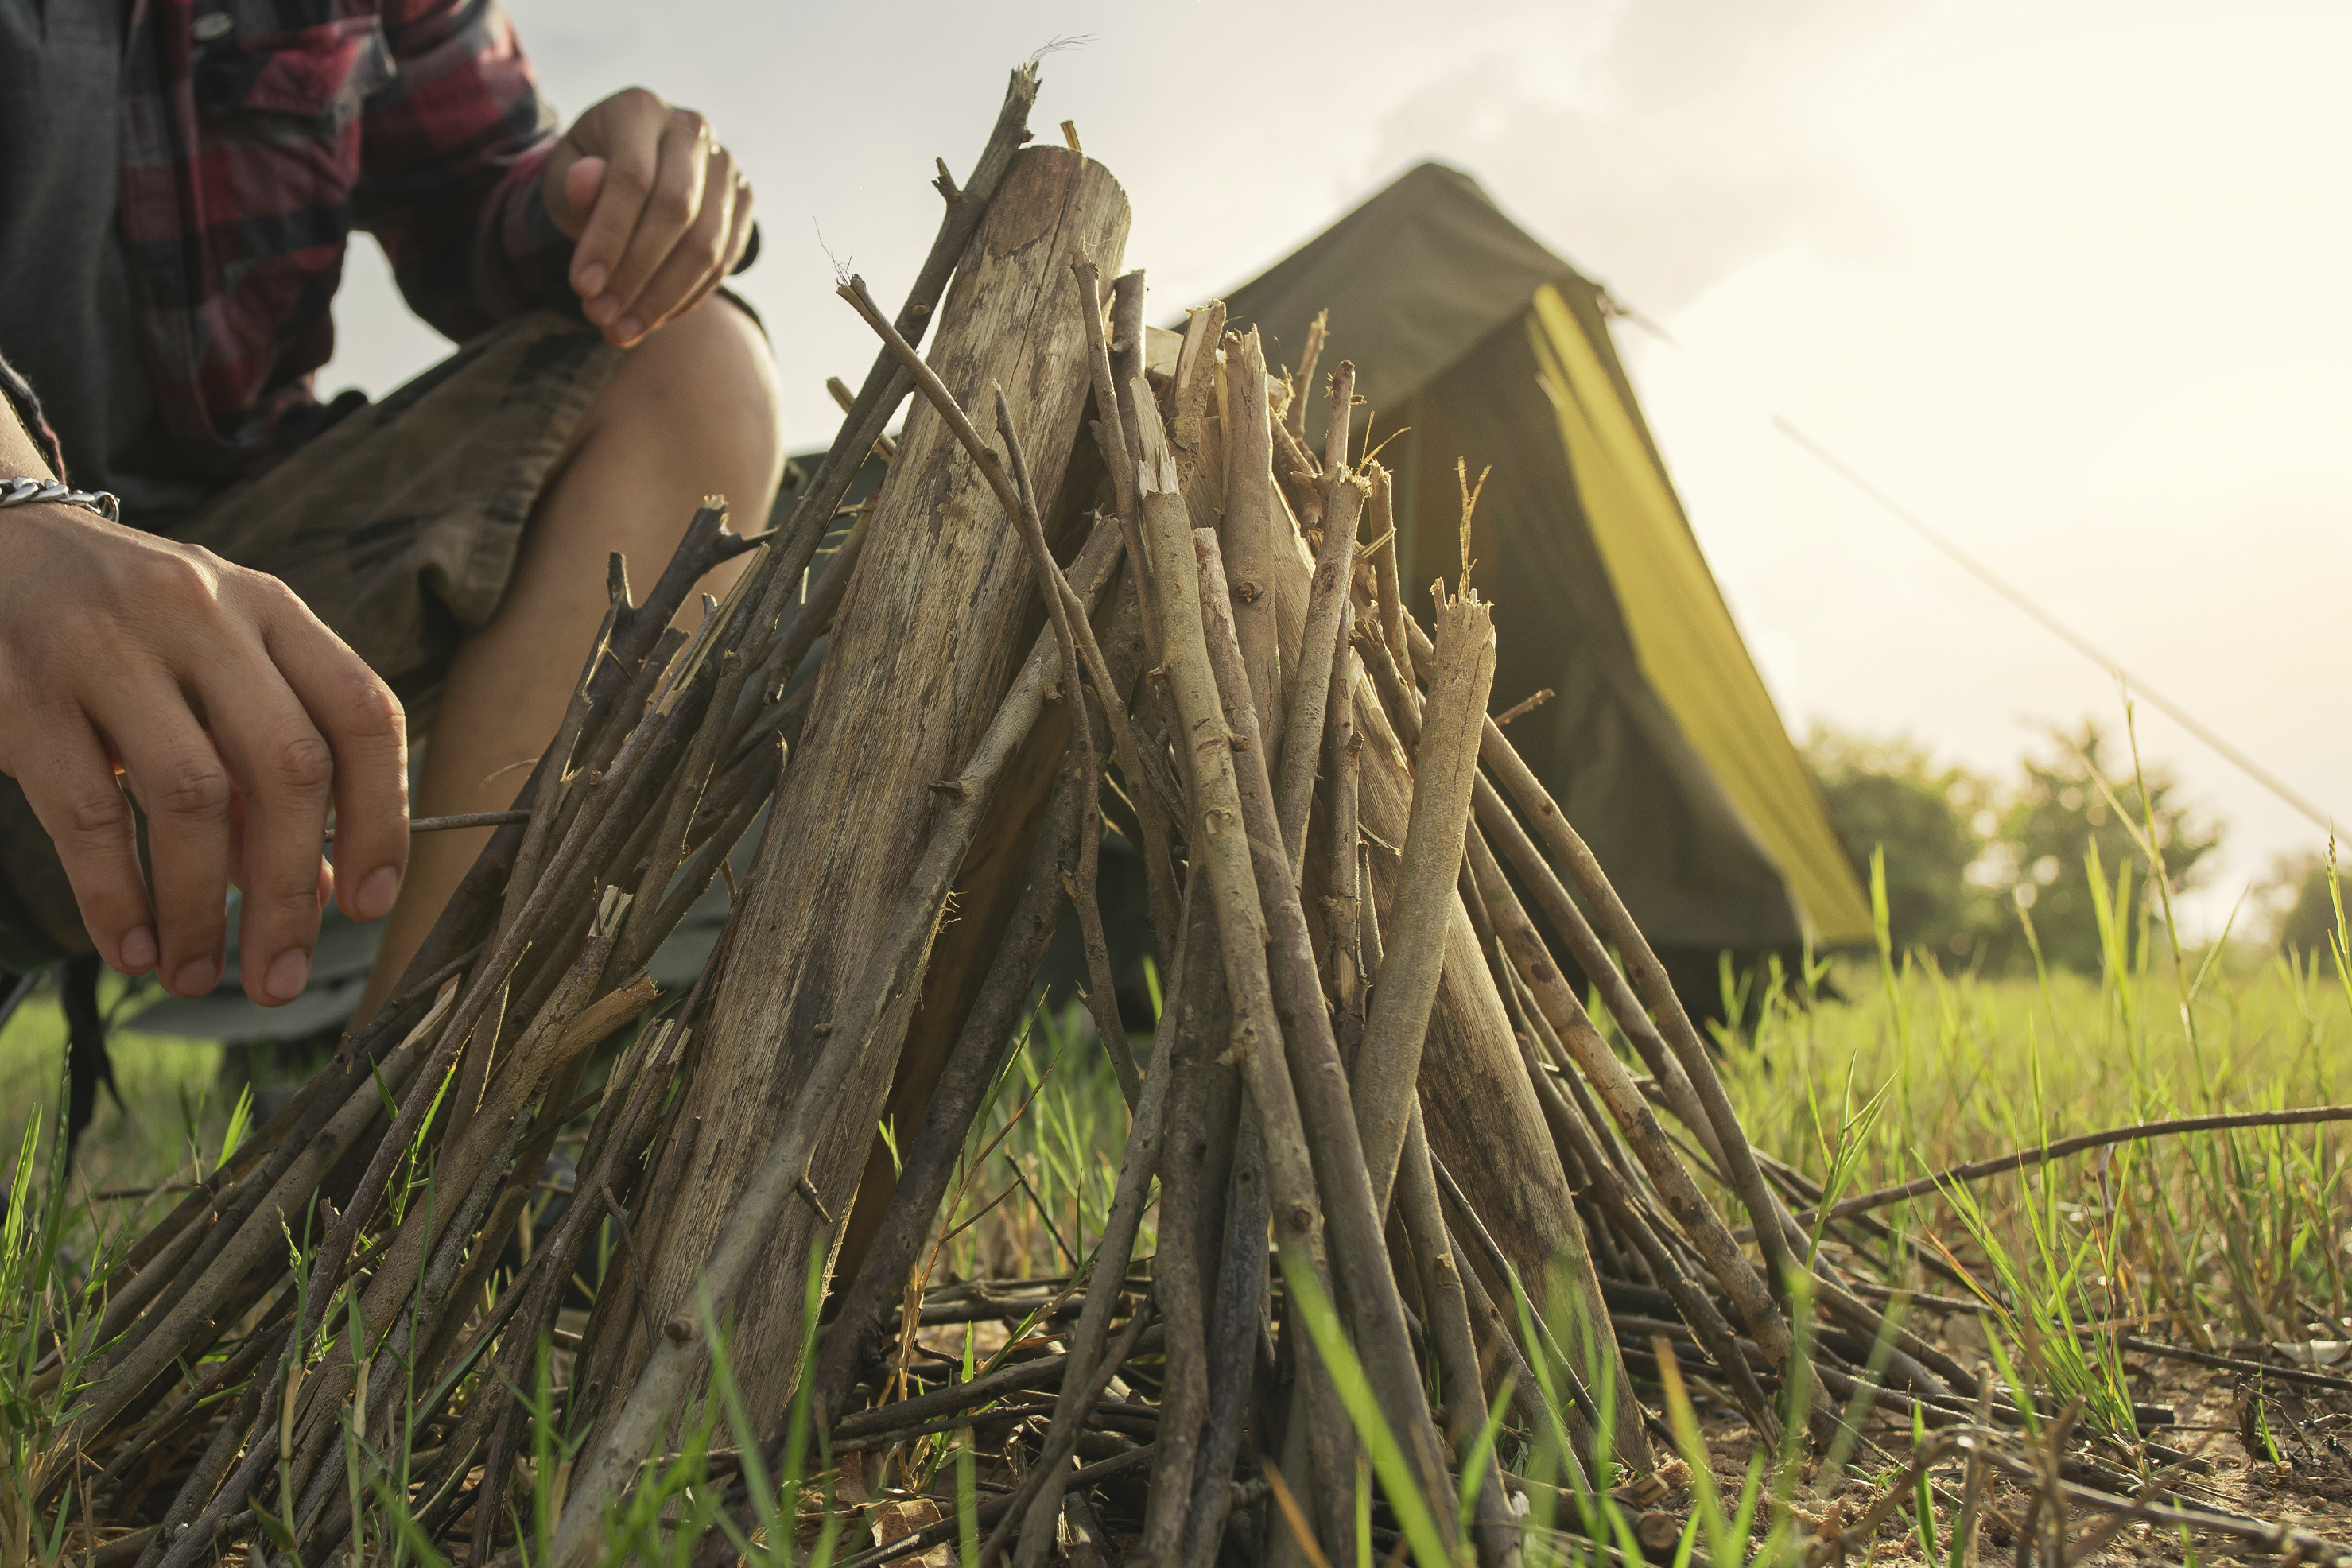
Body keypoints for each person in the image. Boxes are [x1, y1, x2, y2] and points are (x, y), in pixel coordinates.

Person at [0, 0, 785, 1026]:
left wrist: (587, 202)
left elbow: (474, 200)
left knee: (695, 368)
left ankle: (407, 1136)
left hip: (233, 616)